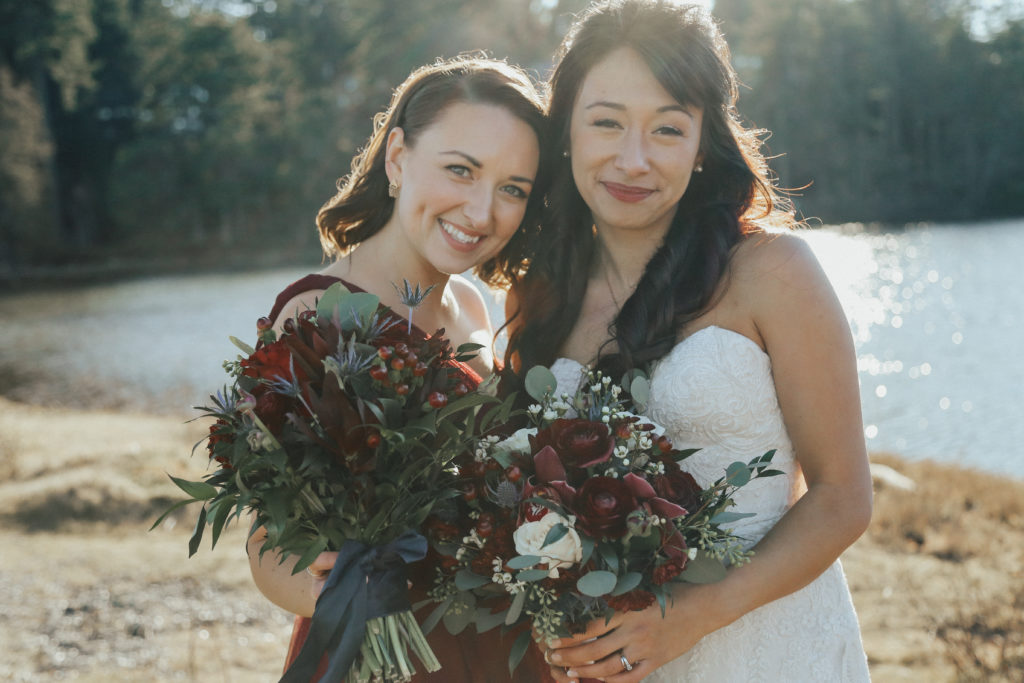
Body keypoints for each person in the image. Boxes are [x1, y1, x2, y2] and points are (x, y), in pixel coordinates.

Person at [502, 1, 873, 681]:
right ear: (566, 133)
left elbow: (843, 496)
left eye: (667, 129)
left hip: (769, 648)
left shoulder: (772, 273)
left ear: (704, 143)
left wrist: (694, 615)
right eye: (606, 122)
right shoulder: (536, 298)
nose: (633, 159)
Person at [246, 55, 552, 682]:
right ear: (396, 159)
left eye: (512, 189)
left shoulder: (472, 304)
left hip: (499, 640)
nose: (481, 211)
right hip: (387, 648)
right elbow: (265, 538)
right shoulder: (313, 314)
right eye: (460, 170)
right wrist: (343, 598)